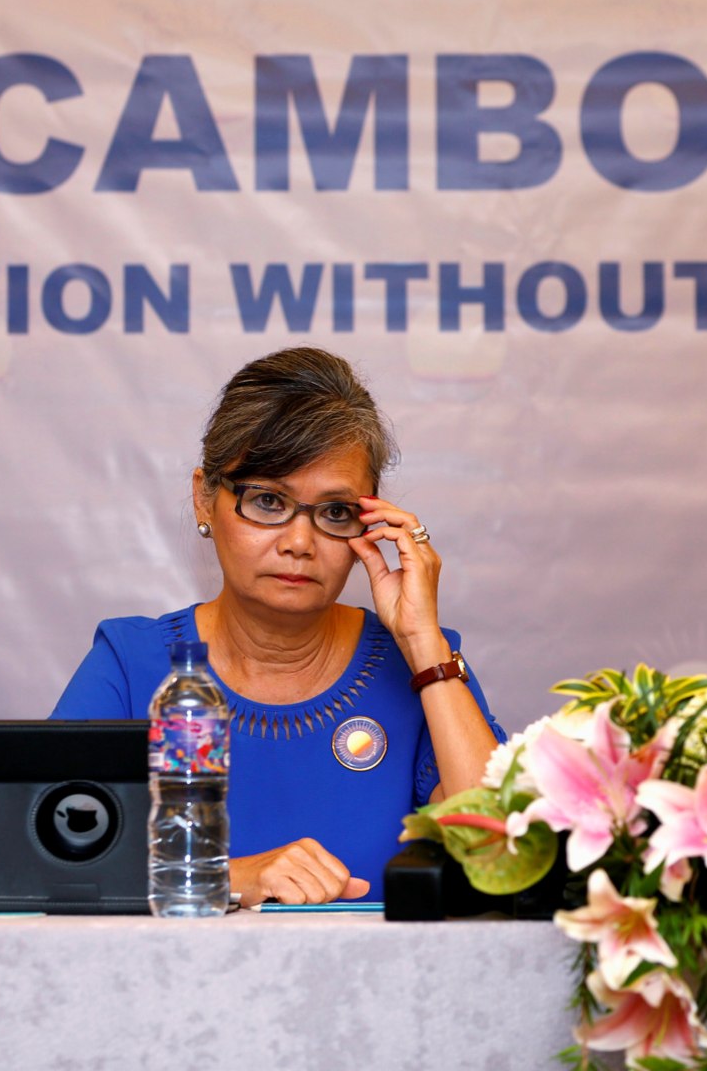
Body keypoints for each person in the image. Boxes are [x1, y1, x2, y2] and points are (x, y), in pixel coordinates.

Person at [52, 347, 503, 904]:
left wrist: (421, 640)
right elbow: (50, 864)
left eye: (335, 512)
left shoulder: (425, 667)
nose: (298, 542)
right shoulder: (132, 665)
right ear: (203, 498)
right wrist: (233, 876)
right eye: (267, 500)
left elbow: (498, 861)